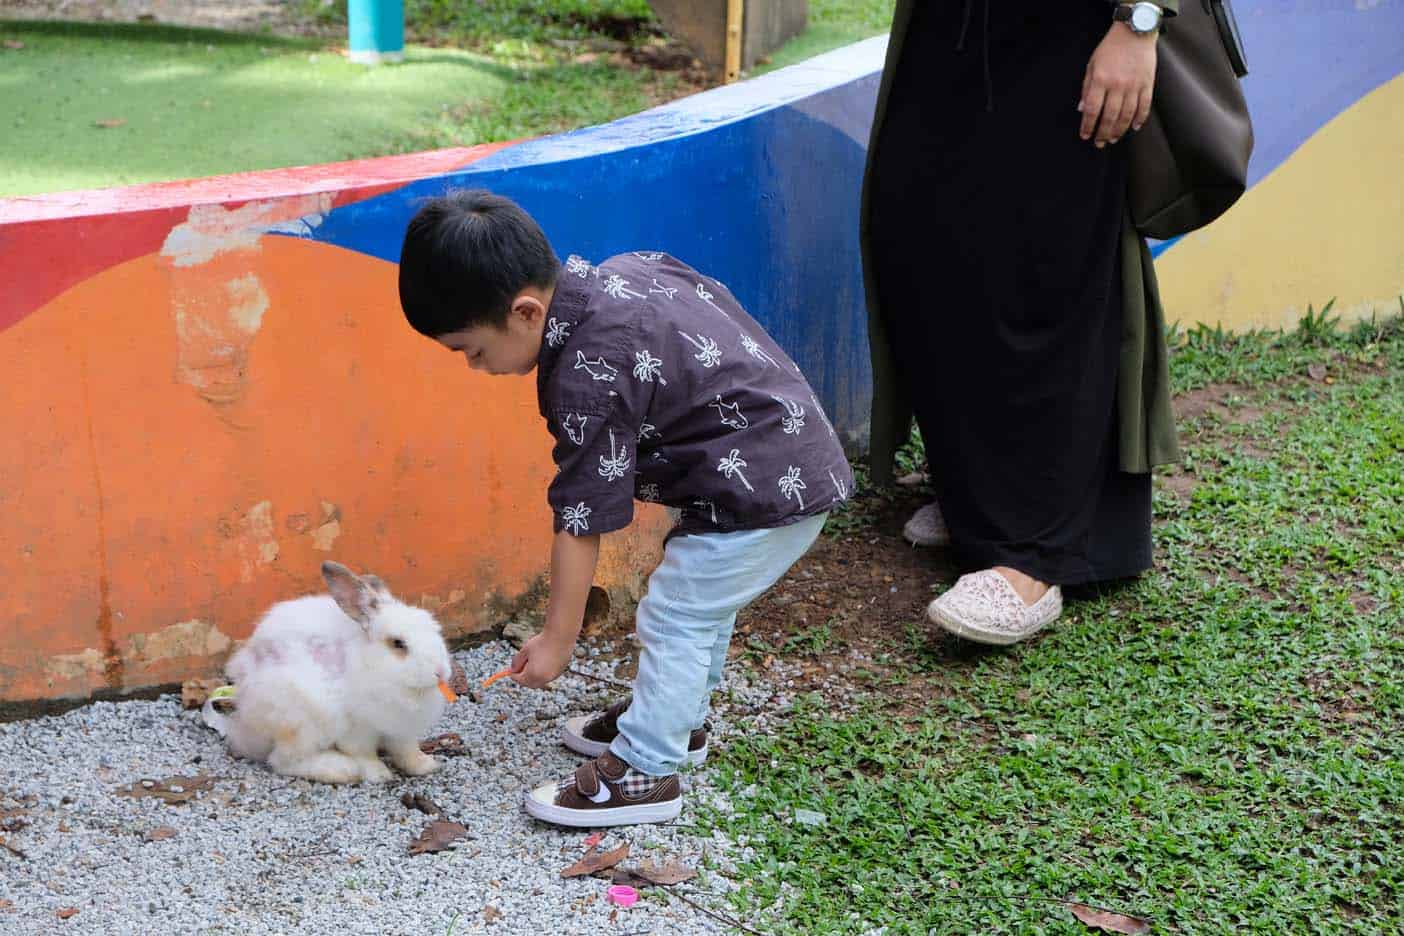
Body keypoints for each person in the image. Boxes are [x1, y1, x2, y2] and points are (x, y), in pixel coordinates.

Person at [397, 190, 853, 826]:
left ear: (525, 312)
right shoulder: (627, 271)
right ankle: (675, 723)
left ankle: (648, 770)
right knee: (697, 602)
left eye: (470, 350)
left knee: (677, 614)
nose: (475, 367)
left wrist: (557, 640)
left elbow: (582, 519)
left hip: (765, 489)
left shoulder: (588, 374)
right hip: (781, 460)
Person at [861, 1, 1182, 646]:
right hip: (953, 22)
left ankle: (1034, 554)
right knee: (922, 225)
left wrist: (1139, 23)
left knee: (1045, 262)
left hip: (1076, 26)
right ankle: (976, 496)